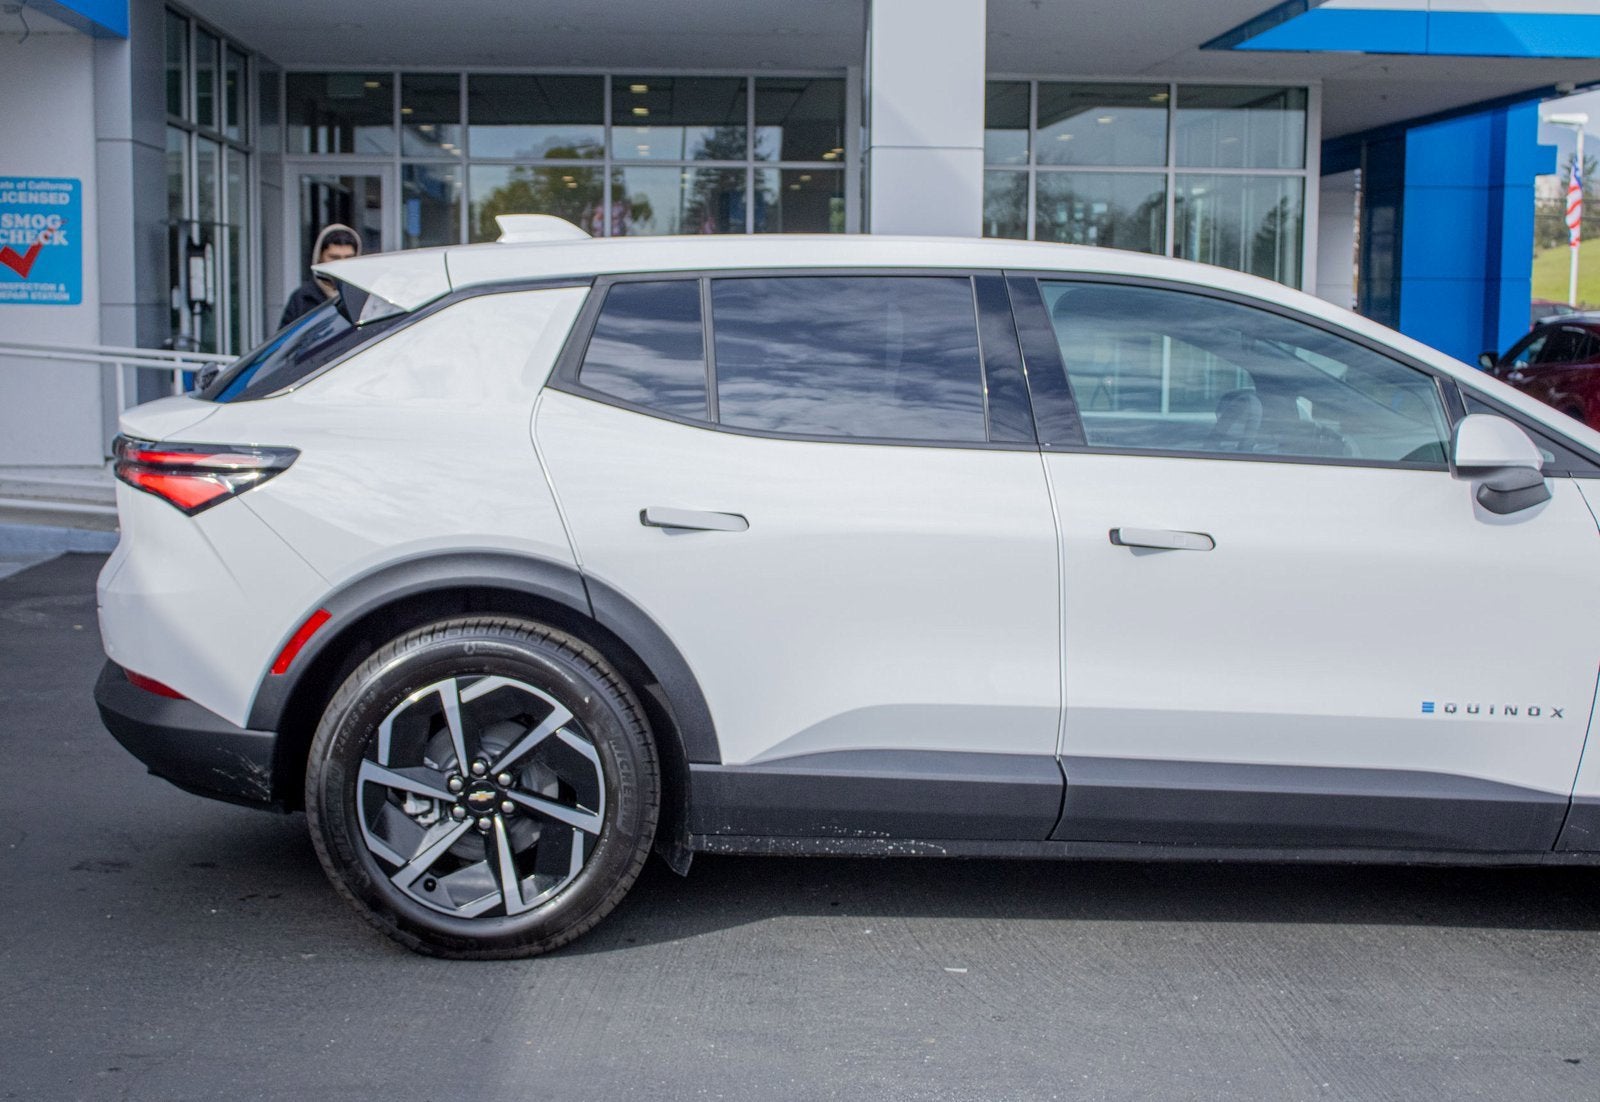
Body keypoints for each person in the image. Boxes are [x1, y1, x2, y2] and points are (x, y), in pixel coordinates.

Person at [278, 224, 361, 329]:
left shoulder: (363, 296)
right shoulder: (303, 298)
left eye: (348, 258)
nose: (341, 264)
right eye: (334, 257)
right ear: (319, 258)